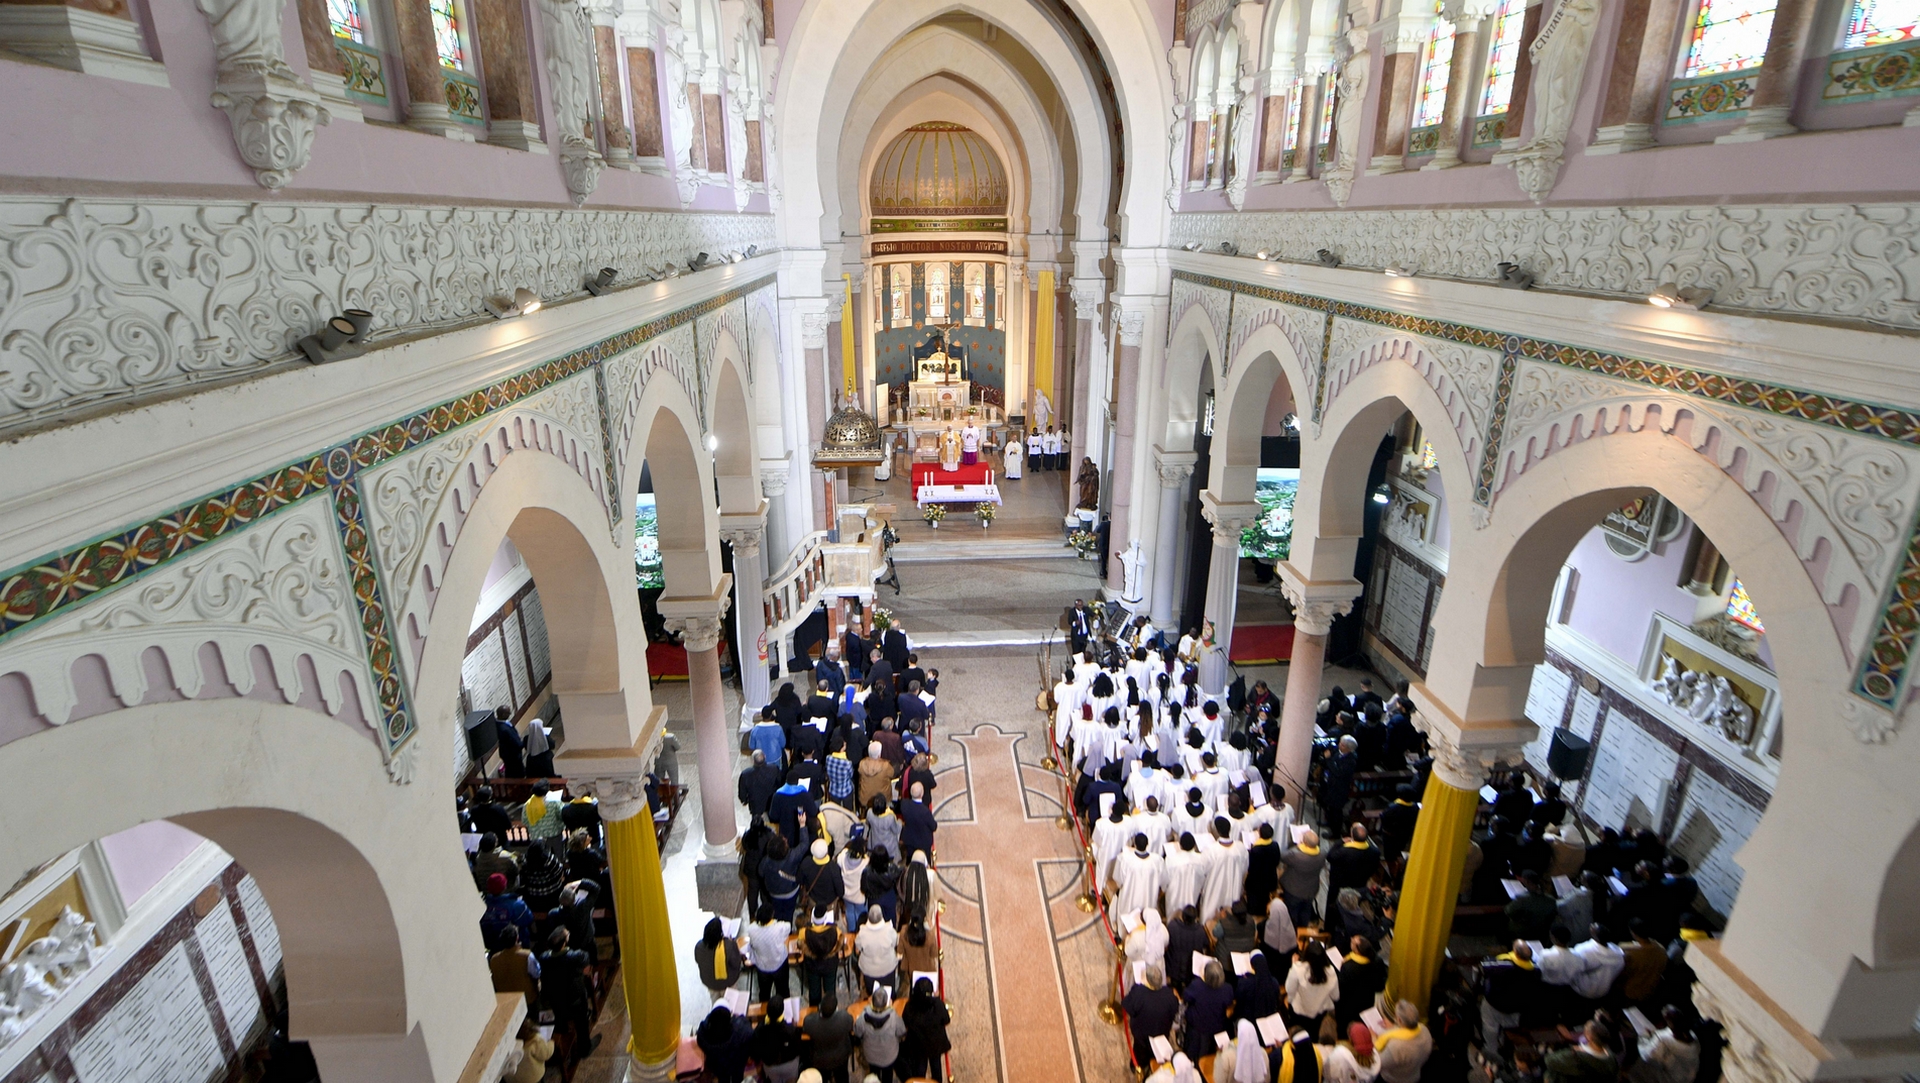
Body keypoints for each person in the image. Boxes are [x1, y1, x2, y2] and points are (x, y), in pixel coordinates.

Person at [540, 927, 598, 1062]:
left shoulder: (544, 957)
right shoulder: (575, 956)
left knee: (561, 1017)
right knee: (581, 1022)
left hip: (556, 998)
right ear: (564, 943)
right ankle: (585, 1048)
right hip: (575, 997)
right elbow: (586, 958)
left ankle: (564, 1032)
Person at [1481, 941, 1543, 1055]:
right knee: (1508, 1027)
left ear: (1515, 953)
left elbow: (1485, 966)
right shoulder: (1536, 971)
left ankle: (1491, 1051)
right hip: (1516, 1009)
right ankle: (1506, 1048)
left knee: (1490, 1027)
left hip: (1494, 1005)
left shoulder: (1505, 965)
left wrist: (1494, 956)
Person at [1123, 963, 1180, 1067]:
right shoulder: (1169, 994)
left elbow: (1128, 1006)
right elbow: (1175, 1010)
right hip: (1162, 1033)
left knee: (1140, 1054)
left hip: (1142, 1034)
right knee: (1155, 1055)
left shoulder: (1139, 992)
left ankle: (1137, 1067)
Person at [1182, 961, 1236, 1061]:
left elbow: (1186, 996)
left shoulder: (1197, 985)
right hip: (1217, 1025)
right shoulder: (1227, 988)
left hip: (1198, 1027)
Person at [900, 977, 952, 1081]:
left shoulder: (910, 1006)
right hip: (935, 1044)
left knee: (919, 1068)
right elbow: (946, 1020)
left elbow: (905, 1022)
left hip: (918, 1045)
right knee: (936, 1066)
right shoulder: (937, 1004)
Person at [1629, 1007, 1699, 1083]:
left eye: (1667, 1021)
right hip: (1688, 1074)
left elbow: (1647, 1056)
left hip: (1674, 1078)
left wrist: (1644, 1037)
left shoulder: (1665, 1039)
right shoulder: (1692, 1035)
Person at [1374, 1000, 1434, 1083]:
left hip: (1395, 1079)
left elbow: (1378, 1063)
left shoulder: (1396, 1047)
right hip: (1414, 1075)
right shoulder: (1425, 1030)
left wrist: (1373, 1038)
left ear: (1399, 1020)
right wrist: (1393, 1027)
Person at [1336, 935, 1388, 1030]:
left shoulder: (1348, 967)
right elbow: (1380, 985)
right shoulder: (1377, 961)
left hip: (1349, 1004)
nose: (1351, 939)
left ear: (1357, 950)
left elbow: (1342, 988)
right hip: (1367, 1001)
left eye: (1353, 941)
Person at [854, 994, 910, 1083]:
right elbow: (902, 1032)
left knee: (873, 1073)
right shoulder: (893, 1017)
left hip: (870, 1055)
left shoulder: (863, 1016)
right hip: (889, 1056)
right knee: (887, 1076)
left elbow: (857, 1032)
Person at [802, 992, 856, 1083]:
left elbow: (805, 1027)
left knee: (823, 1078)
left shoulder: (810, 1023)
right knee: (842, 1078)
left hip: (820, 1060)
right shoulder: (844, 1018)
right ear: (836, 1009)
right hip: (841, 1057)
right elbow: (851, 1023)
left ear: (820, 1008)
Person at [1544, 1019, 1619, 1083]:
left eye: (1585, 1028)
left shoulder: (1577, 1056)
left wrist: (1573, 1050)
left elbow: (1549, 1060)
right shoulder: (1611, 1057)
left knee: (1550, 1073)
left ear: (1589, 1037)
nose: (1584, 1029)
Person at [1287, 941, 1340, 1030]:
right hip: (1320, 1015)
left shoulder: (1298, 969)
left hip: (1300, 1013)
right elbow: (1335, 996)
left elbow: (1289, 989)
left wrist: (1293, 965)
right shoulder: (1331, 972)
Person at [1281, 829, 1329, 926]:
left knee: (1292, 913)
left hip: (1294, 889)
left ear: (1305, 842)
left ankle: (1292, 931)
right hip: (1311, 890)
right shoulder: (1322, 855)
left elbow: (1283, 856)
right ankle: (1302, 929)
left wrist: (1298, 847)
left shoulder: (1296, 855)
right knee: (1305, 911)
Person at [697, 1005, 755, 1083]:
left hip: (717, 1065)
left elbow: (702, 1029)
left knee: (723, 1078)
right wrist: (736, 1018)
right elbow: (748, 1030)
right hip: (736, 1063)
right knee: (737, 1078)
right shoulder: (739, 1032)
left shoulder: (704, 1036)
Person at [487, 926, 540, 1009]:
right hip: (527, 999)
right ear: (517, 938)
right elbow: (536, 974)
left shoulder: (494, 959)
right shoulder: (527, 955)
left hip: (505, 1001)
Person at [479, 873, 535, 951]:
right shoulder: (516, 904)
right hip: (517, 946)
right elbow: (528, 919)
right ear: (505, 886)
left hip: (493, 947)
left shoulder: (481, 906)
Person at [855, 906, 901, 1000]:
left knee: (872, 993)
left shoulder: (862, 932)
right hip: (887, 967)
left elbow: (858, 947)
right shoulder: (889, 930)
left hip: (869, 970)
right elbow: (896, 942)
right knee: (889, 992)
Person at [801, 908, 842, 1006]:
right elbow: (839, 942)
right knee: (830, 990)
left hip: (813, 964)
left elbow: (800, 944)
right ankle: (830, 1009)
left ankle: (814, 1012)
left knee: (814, 991)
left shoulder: (804, 931)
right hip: (830, 963)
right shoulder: (835, 930)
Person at [750, 1011, 806, 1083]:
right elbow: (799, 1047)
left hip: (770, 1066)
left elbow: (755, 1050)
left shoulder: (760, 1029)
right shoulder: (790, 1029)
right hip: (789, 1065)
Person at [1327, 823, 1382, 896]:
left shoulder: (1344, 851)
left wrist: (1340, 842)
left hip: (1340, 884)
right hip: (1360, 883)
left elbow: (1330, 857)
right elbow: (1374, 868)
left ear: (1352, 835)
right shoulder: (1375, 852)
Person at [695, 915, 744, 997]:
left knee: (715, 1002)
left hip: (709, 982)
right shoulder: (728, 945)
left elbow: (698, 960)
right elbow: (736, 963)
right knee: (730, 1004)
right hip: (728, 982)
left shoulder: (699, 946)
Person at [1508, 870, 1560, 941]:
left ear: (1527, 882)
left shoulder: (1522, 898)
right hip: (1542, 933)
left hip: (1523, 932)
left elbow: (1508, 911)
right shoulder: (1551, 900)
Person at [492, 706, 525, 776]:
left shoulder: (498, 723)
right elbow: (518, 744)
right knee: (516, 774)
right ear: (503, 715)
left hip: (507, 754)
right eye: (508, 713)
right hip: (512, 756)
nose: (510, 714)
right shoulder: (504, 729)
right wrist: (525, 741)